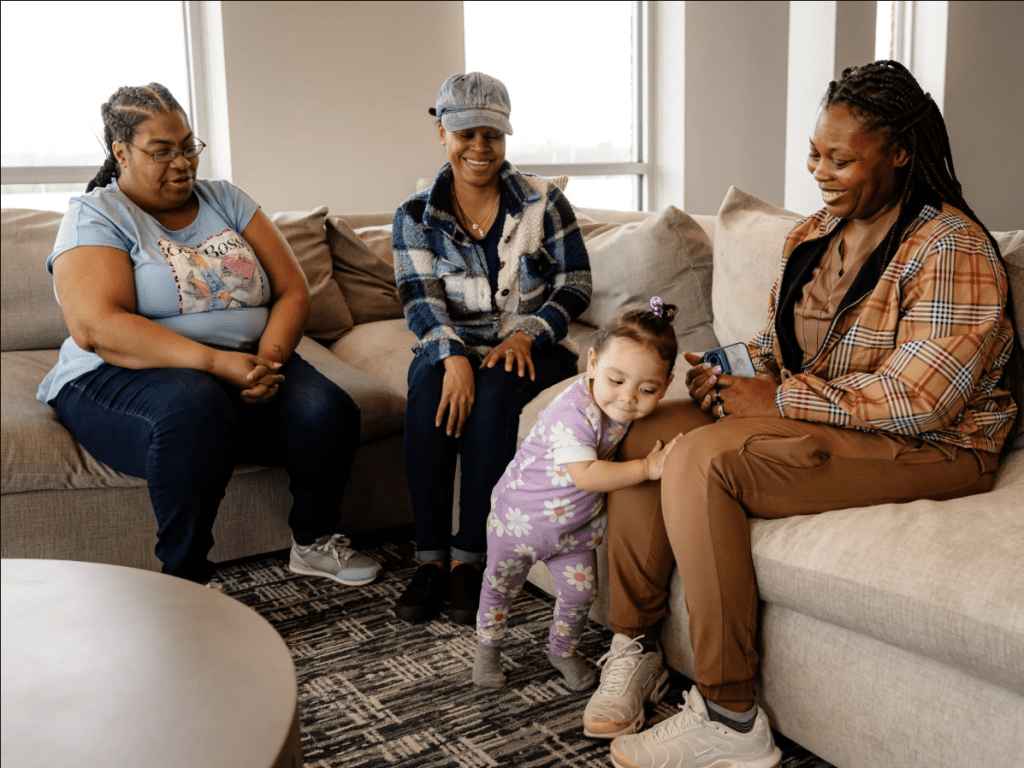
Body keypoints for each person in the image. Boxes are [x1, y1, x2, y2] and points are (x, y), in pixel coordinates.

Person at [583, 61, 1021, 768]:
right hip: (835, 416)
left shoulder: (950, 248)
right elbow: (788, 345)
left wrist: (777, 399)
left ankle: (730, 718)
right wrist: (726, 368)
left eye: (841, 158)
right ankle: (633, 645)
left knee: (704, 458)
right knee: (653, 427)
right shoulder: (814, 234)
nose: (820, 171)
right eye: (815, 154)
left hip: (939, 444)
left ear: (902, 152)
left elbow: (922, 400)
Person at [37, 83, 381, 588]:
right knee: (195, 408)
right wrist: (217, 364)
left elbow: (292, 291)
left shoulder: (226, 199)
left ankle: (313, 543)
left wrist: (270, 360)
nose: (182, 163)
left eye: (187, 146)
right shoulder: (97, 215)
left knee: (327, 411)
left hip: (242, 361)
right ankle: (186, 579)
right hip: (117, 373)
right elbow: (98, 327)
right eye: (161, 152)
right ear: (121, 152)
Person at [392, 72, 591, 625]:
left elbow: (575, 285)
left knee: (497, 394)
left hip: (533, 346)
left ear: (506, 137)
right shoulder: (414, 216)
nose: (480, 147)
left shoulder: (544, 203)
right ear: (441, 134)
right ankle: (430, 558)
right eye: (465, 134)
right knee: (429, 391)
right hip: (455, 345)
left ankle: (470, 559)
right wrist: (452, 356)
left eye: (492, 135)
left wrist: (529, 332)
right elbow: (419, 301)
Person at [473, 300, 683, 691]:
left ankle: (561, 650)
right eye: (616, 380)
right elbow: (586, 475)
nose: (628, 398)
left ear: (666, 386)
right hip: (517, 520)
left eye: (648, 389)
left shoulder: (624, 410)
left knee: (581, 593)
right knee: (499, 586)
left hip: (573, 532)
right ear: (592, 364)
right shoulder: (573, 412)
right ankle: (488, 648)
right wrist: (647, 469)